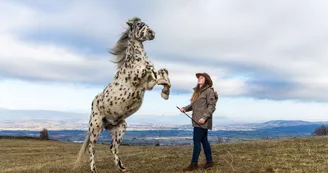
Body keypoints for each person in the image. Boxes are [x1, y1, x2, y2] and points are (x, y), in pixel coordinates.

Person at [180, 72, 218, 171]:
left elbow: (212, 106)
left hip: (202, 122)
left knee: (196, 142)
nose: (199, 79)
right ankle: (209, 162)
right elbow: (193, 105)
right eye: (198, 78)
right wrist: (185, 108)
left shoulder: (209, 91)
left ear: (206, 80)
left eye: (201, 77)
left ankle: (194, 164)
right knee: (204, 141)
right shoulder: (198, 92)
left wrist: (204, 117)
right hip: (197, 121)